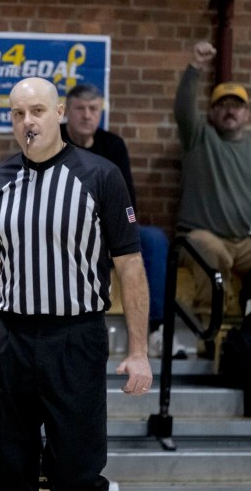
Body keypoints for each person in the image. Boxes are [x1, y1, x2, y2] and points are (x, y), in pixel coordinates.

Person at [0, 77, 153, 491]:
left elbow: (130, 264)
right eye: (18, 114)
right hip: (11, 340)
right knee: (7, 471)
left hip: (75, 339)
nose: (27, 122)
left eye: (37, 111)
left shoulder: (100, 176)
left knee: (76, 472)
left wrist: (139, 351)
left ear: (59, 115)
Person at [60, 84, 179, 357]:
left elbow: (128, 199)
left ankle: (158, 330)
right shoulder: (56, 144)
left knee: (154, 239)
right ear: (66, 112)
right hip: (70, 231)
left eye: (93, 109)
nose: (87, 115)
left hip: (110, 229)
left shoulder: (112, 145)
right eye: (80, 109)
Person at [174, 41, 251, 326]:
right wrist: (195, 66)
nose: (230, 111)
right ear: (211, 113)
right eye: (222, 105)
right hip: (199, 237)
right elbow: (183, 109)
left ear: (246, 114)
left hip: (244, 243)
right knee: (212, 252)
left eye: (237, 105)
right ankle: (210, 328)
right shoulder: (198, 138)